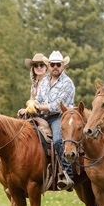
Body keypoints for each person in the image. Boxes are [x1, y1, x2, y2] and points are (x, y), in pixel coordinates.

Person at [19, 50, 76, 191]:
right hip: (42, 117)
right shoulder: (44, 81)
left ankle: (67, 174)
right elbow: (38, 98)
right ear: (49, 65)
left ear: (63, 66)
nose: (55, 67)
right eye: (52, 64)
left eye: (58, 64)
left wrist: (38, 106)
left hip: (59, 117)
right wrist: (30, 106)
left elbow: (57, 106)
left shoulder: (67, 83)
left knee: (57, 139)